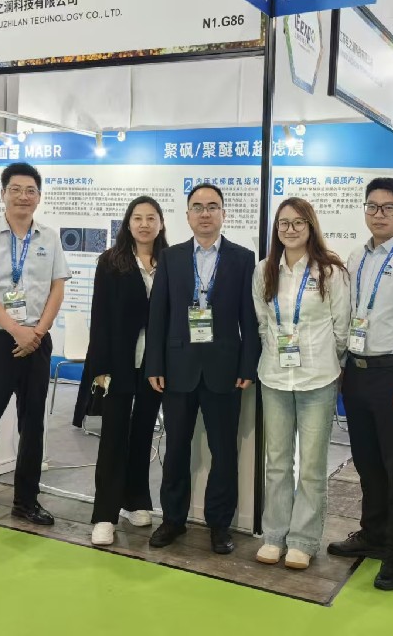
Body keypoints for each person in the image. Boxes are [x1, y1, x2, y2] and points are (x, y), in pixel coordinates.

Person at [325, 177, 393, 592]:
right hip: (358, 372)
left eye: (389, 207)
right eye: (372, 206)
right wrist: (342, 368)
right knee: (367, 462)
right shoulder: (357, 256)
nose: (379, 214)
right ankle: (372, 534)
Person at [145, 183, 260, 555]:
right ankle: (172, 519)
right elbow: (158, 315)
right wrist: (154, 364)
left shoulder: (243, 258)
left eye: (212, 206)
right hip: (177, 368)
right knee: (176, 448)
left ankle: (219, 525)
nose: (205, 213)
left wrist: (248, 365)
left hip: (225, 369)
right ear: (188, 215)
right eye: (198, 207)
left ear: (223, 213)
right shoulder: (171, 257)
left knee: (224, 452)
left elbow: (250, 318)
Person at [0, 162, 71, 540]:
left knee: (33, 426)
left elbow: (57, 289)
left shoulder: (49, 238)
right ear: (3, 193)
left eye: (30, 191)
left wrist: (36, 332)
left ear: (39, 197)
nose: (23, 196)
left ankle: (26, 501)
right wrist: (15, 330)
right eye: (16, 189)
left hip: (37, 342)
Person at [251, 198, 350, 571]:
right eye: (283, 223)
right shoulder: (264, 271)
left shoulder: (331, 272)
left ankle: (303, 540)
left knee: (311, 465)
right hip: (274, 377)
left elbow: (341, 328)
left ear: (311, 226)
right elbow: (263, 323)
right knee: (277, 462)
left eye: (298, 223)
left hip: (318, 380)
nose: (290, 229)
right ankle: (274, 535)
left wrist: (325, 359)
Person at [84, 197, 168, 546]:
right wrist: (100, 370)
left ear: (161, 223)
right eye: (138, 218)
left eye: (151, 218)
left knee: (144, 433)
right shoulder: (111, 262)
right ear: (128, 223)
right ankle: (104, 514)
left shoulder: (170, 261)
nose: (144, 224)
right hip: (118, 362)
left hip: (154, 365)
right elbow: (100, 318)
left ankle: (135, 501)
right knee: (113, 435)